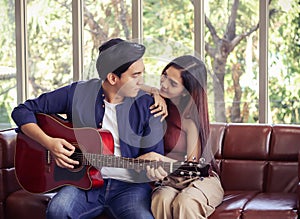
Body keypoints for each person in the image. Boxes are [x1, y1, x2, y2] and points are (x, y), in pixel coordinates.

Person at [11, 38, 167, 219]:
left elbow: (154, 158)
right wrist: (50, 143)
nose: (142, 82)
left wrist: (155, 169)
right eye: (135, 75)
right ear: (112, 78)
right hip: (83, 184)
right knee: (58, 210)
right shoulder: (78, 93)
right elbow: (22, 111)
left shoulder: (149, 107)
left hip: (129, 187)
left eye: (142, 74)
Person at [141, 55, 224, 219]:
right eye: (164, 76)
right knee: (160, 199)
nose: (163, 84)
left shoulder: (190, 120)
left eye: (173, 84)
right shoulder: (158, 104)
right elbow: (128, 86)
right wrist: (154, 92)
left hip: (200, 178)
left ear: (186, 92)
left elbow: (192, 165)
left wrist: (157, 158)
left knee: (185, 202)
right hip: (169, 181)